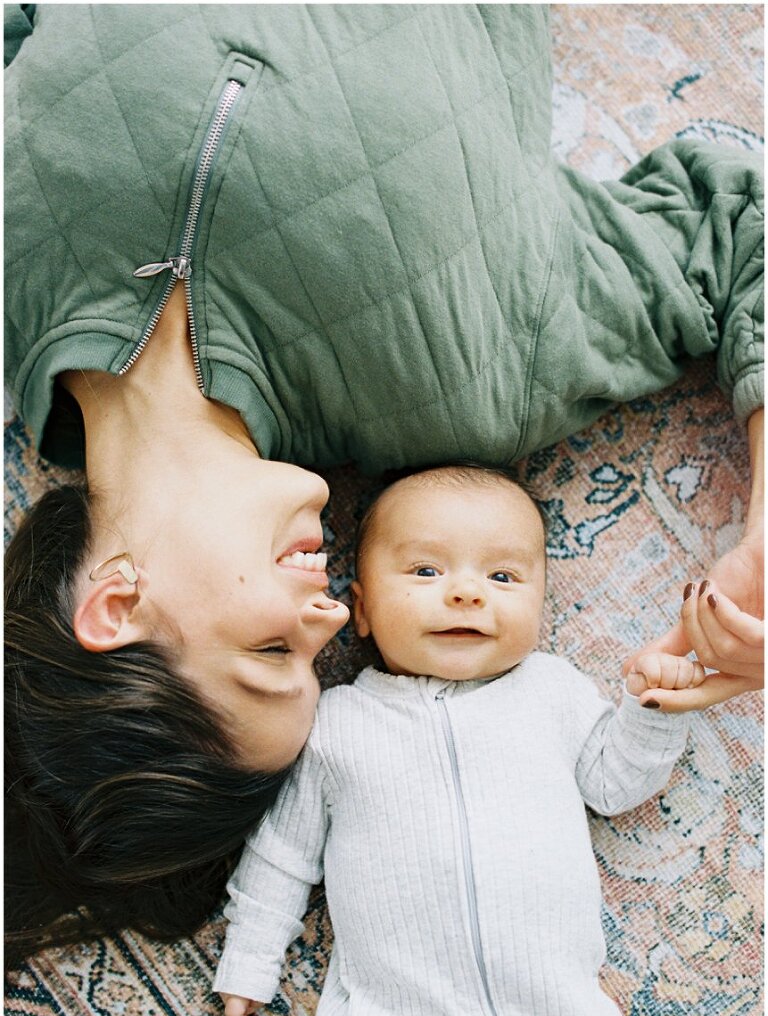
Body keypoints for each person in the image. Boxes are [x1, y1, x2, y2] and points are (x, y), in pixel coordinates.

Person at [4, 5, 763, 960]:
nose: (329, 619)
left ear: (116, 603)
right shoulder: (477, 383)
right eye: (315, 661)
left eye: (272, 648)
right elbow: (737, 222)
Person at [214, 465, 707, 1016]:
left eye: (503, 578)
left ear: (541, 603)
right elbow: (280, 854)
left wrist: (652, 710)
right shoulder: (337, 724)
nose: (468, 593)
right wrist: (249, 957)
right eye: (425, 572)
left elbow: (611, 782)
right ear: (360, 608)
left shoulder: (550, 691)